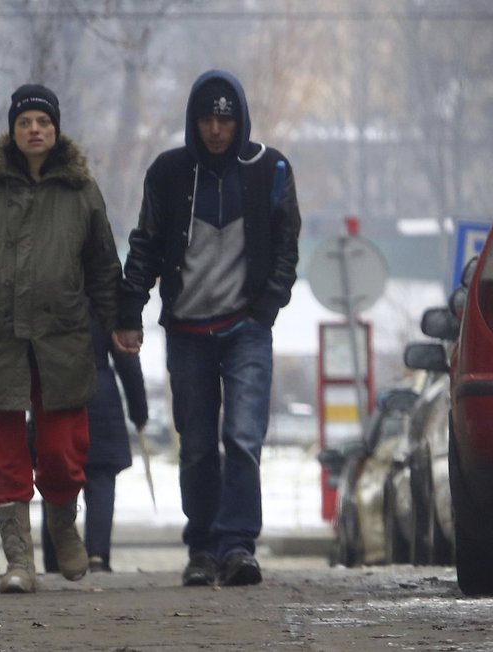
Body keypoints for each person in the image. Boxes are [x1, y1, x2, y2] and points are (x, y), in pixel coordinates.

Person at [113, 70, 301, 587]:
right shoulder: (169, 172)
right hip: (188, 331)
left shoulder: (271, 168)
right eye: (207, 118)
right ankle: (201, 547)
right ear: (193, 122)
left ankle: (238, 545)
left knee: (243, 436)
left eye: (225, 118)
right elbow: (146, 242)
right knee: (196, 443)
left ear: (239, 120)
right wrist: (130, 310)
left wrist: (268, 305)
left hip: (246, 329)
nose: (216, 129)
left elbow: (287, 244)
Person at [0, 83, 121, 594]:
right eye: (24, 122)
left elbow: (104, 267)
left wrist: (121, 323)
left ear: (55, 129)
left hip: (62, 341)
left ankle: (63, 524)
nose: (34, 130)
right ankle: (18, 559)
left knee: (63, 450)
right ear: (12, 131)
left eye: (42, 121)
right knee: (4, 455)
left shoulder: (81, 191)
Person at [39, 317, 148, 574]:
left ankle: (57, 561)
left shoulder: (47, 294)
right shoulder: (105, 300)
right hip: (101, 396)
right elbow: (126, 356)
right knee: (100, 482)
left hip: (55, 393)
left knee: (57, 480)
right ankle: (98, 556)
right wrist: (139, 410)